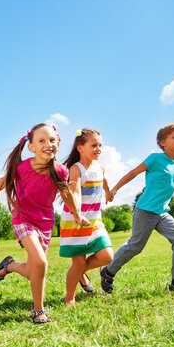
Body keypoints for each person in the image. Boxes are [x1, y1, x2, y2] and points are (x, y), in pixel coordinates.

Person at [0, 123, 89, 324]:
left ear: (58, 143)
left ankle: (10, 266)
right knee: (41, 262)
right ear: (31, 147)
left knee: (33, 270)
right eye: (42, 140)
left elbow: (66, 193)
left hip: (45, 224)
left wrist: (76, 214)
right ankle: (38, 311)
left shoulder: (60, 171)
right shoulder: (22, 168)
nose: (48, 144)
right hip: (23, 219)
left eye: (52, 140)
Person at [102, 123, 174, 293]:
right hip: (145, 210)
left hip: (163, 213)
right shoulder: (154, 159)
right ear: (162, 142)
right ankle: (108, 272)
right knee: (135, 246)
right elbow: (133, 173)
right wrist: (115, 188)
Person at [60, 129, 113, 305]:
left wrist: (108, 191)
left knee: (107, 256)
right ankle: (70, 299)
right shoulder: (76, 169)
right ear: (80, 148)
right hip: (75, 221)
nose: (98, 149)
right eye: (94, 145)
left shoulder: (100, 167)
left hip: (95, 219)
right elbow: (74, 193)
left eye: (100, 145)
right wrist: (77, 213)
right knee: (78, 262)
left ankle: (79, 271)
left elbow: (103, 179)